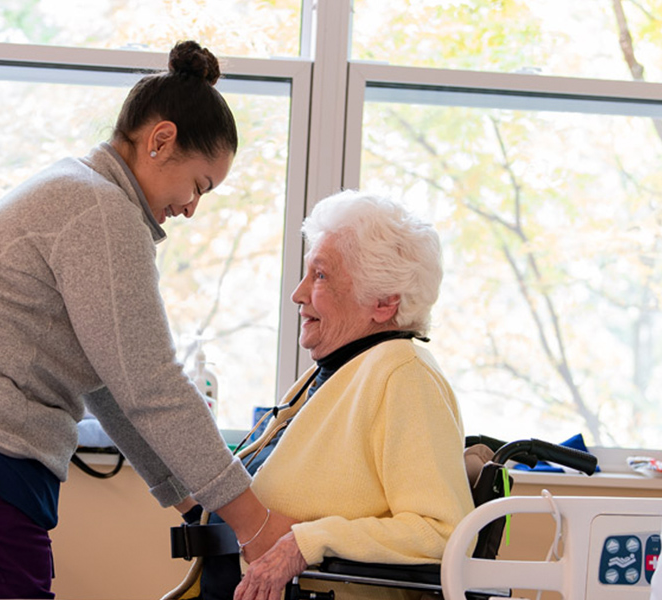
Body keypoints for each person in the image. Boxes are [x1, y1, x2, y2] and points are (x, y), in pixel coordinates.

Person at [0, 40, 288, 600]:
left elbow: (111, 384)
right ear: (161, 139)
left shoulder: (83, 193)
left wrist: (192, 499)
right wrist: (256, 524)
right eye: (199, 185)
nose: (192, 208)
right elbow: (151, 383)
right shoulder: (103, 212)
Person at [180, 190, 475, 600]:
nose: (298, 294)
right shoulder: (334, 372)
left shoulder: (403, 373)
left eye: (320, 276)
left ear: (385, 301)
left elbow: (442, 532)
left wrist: (306, 543)